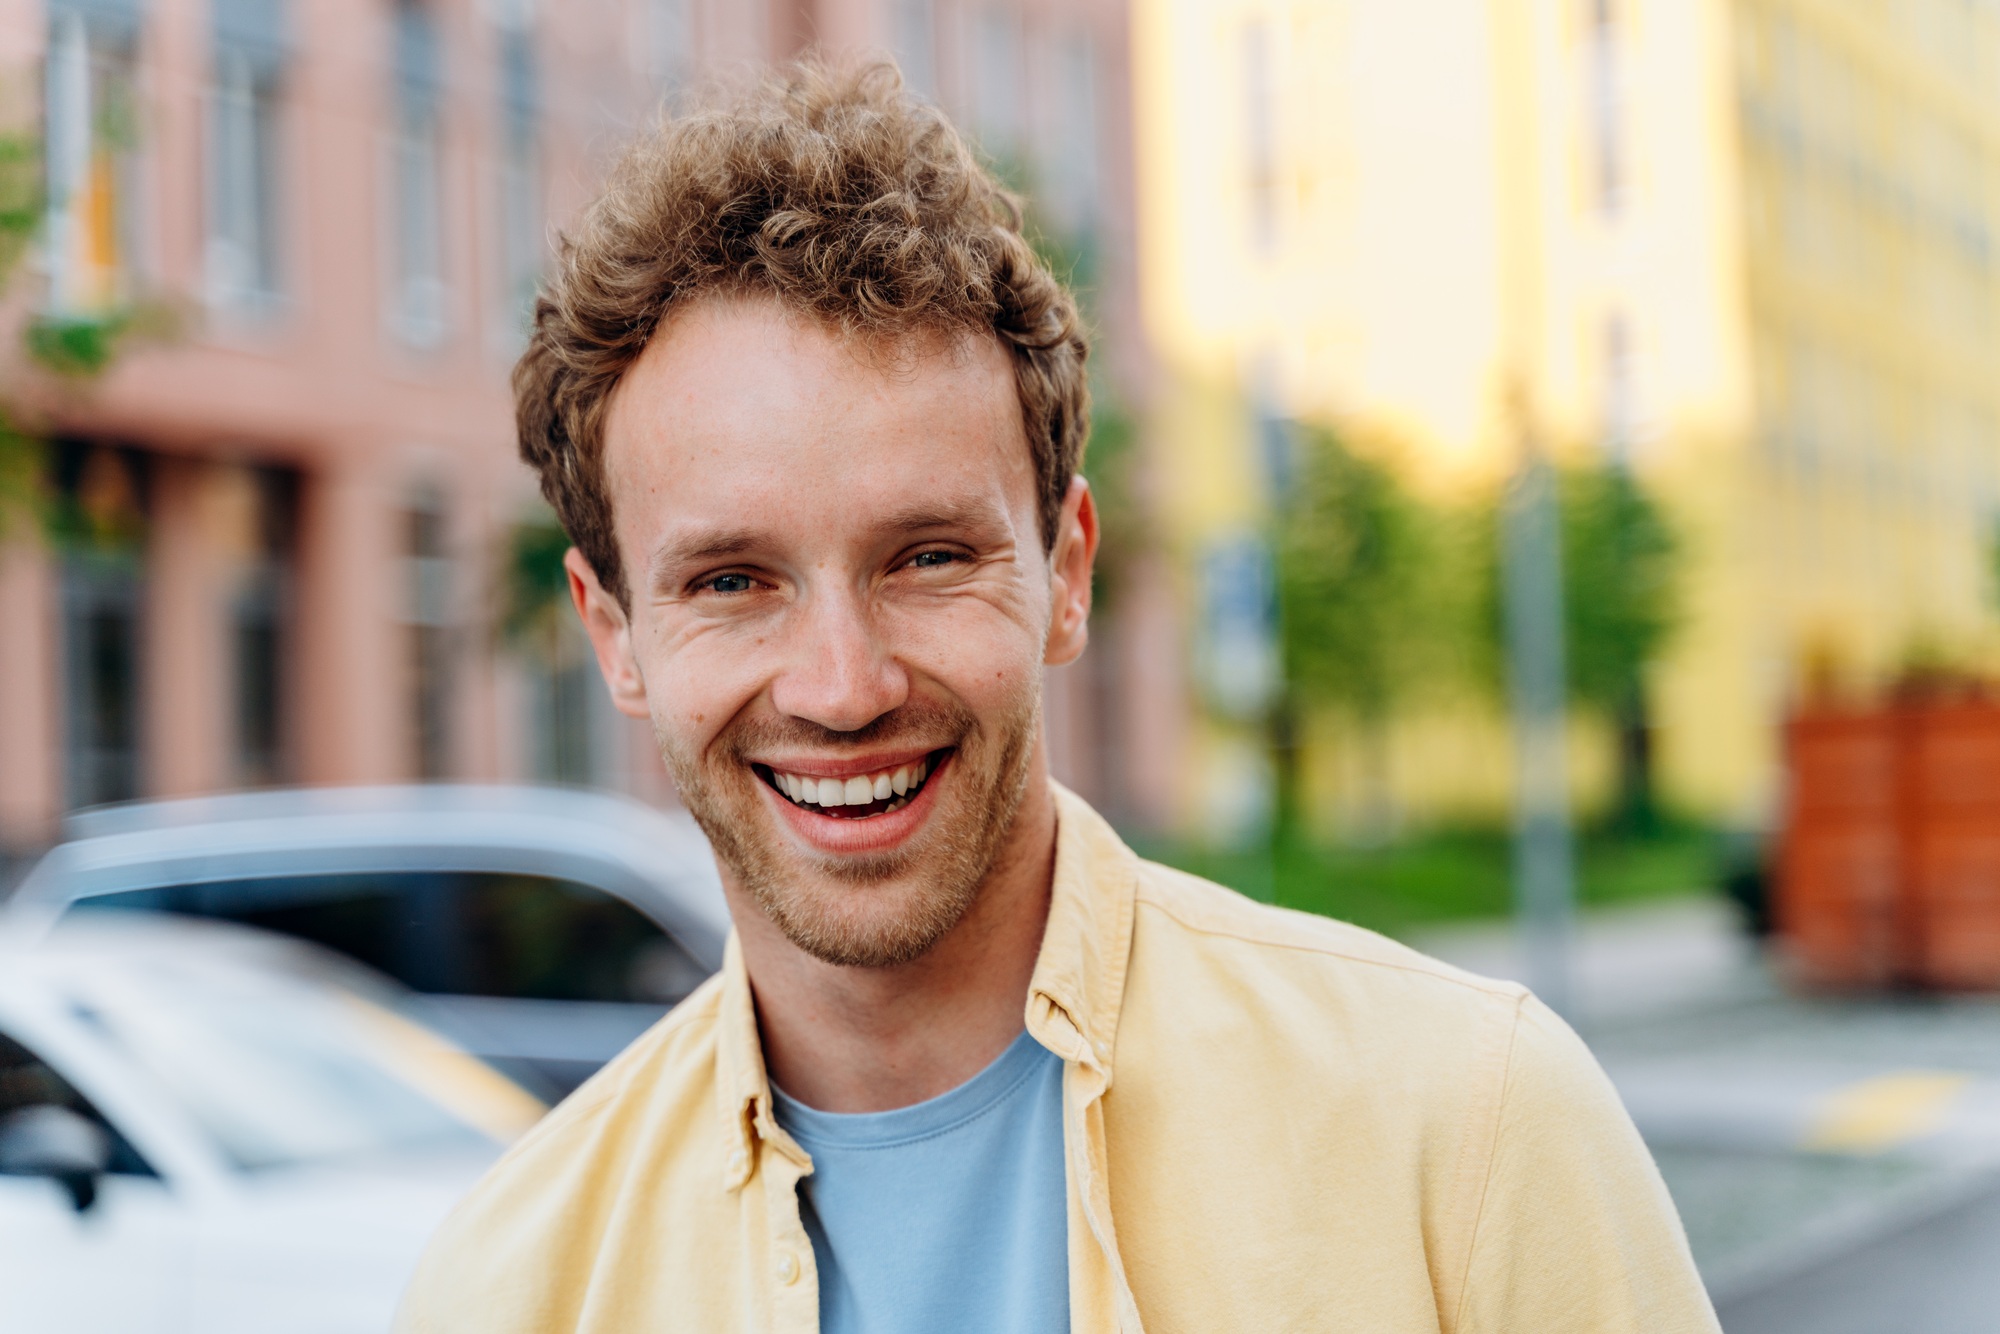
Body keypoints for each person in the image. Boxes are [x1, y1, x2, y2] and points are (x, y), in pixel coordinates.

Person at [395, 61, 1719, 1334]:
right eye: (732, 582)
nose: (844, 687)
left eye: (928, 557)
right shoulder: (512, 1291)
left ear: (1068, 572)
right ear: (615, 635)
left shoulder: (1466, 1128)